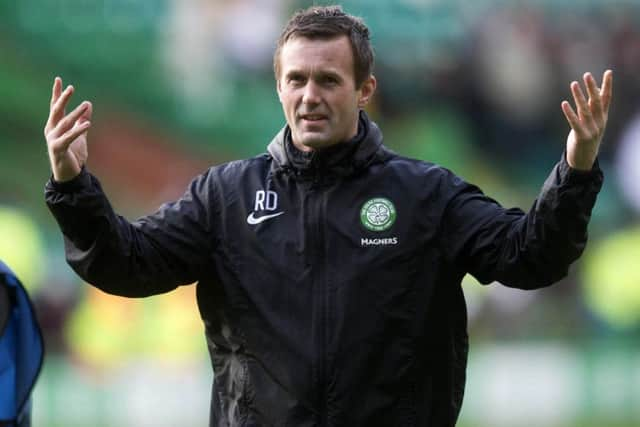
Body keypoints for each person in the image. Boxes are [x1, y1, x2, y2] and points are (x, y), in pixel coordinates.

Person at [43, 5, 612, 427]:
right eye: (296, 80)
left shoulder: (425, 195)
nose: (310, 95)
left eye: (328, 80)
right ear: (278, 87)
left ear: (364, 90)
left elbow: (529, 257)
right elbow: (127, 265)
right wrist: (73, 186)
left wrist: (575, 168)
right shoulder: (226, 196)